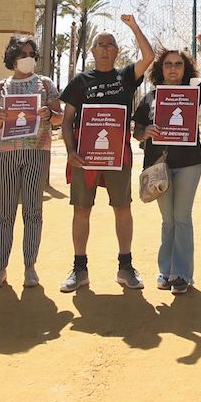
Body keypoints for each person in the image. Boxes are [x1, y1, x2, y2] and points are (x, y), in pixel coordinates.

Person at [58, 14, 155, 292]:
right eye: (99, 44)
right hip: (84, 156)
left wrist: (134, 26)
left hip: (118, 154)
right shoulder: (80, 81)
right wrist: (70, 150)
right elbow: (67, 121)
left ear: (117, 51)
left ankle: (125, 266)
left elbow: (148, 58)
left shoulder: (124, 76)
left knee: (123, 208)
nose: (104, 48)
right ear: (92, 51)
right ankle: (79, 269)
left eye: (110, 45)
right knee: (81, 209)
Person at [133, 34, 201, 294]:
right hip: (158, 165)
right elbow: (137, 129)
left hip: (188, 163)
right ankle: (166, 271)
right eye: (168, 64)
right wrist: (145, 132)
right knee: (167, 219)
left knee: (182, 217)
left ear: (185, 69)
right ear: (160, 69)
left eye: (178, 64)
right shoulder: (151, 97)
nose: (173, 68)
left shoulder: (193, 92)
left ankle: (182, 274)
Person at [0, 35, 63, 291]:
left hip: (36, 153)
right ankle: (0, 268)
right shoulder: (0, 87)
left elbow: (59, 118)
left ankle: (30, 267)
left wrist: (49, 114)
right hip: (4, 153)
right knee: (4, 213)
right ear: (12, 58)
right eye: (21, 54)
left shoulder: (46, 84)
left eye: (30, 53)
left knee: (33, 211)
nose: (27, 58)